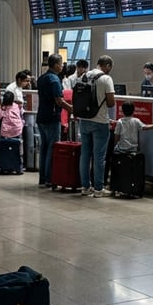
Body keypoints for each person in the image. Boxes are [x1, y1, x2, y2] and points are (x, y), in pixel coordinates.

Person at [78, 55, 116, 197]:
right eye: (110, 68)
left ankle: (85, 187)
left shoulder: (84, 76)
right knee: (99, 156)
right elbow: (111, 103)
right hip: (100, 121)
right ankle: (99, 188)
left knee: (85, 155)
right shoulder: (106, 79)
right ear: (107, 65)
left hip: (84, 120)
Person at [36, 54, 70, 189]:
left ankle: (42, 179)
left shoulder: (42, 78)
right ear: (56, 65)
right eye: (61, 64)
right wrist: (71, 109)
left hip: (41, 116)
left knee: (43, 148)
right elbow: (59, 100)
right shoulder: (54, 80)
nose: (62, 66)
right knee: (52, 148)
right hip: (52, 117)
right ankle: (50, 178)